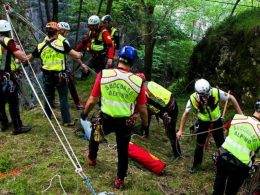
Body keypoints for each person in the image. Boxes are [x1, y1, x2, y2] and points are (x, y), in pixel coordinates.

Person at [81, 45, 148, 189]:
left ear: (118, 58)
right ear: (132, 62)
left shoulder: (104, 74)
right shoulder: (138, 82)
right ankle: (120, 180)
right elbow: (142, 108)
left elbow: (93, 99)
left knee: (95, 136)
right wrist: (145, 125)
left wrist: (85, 113)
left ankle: (92, 158)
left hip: (105, 117)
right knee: (123, 151)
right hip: (125, 122)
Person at [176, 78, 243, 173]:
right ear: (198, 93)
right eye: (205, 95)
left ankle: (224, 164)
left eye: (208, 93)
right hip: (203, 123)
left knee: (221, 145)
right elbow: (185, 113)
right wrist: (180, 130)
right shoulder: (192, 99)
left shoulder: (215, 92)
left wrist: (241, 115)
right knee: (199, 145)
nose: (207, 96)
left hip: (216, 122)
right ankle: (196, 165)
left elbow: (231, 98)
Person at [27, 22, 85, 126]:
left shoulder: (40, 46)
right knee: (63, 97)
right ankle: (66, 121)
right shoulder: (62, 44)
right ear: (57, 32)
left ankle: (47, 115)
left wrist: (19, 60)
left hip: (47, 76)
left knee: (48, 96)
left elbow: (29, 58)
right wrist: (80, 54)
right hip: (59, 76)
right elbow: (76, 55)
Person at [213, 99, 260, 195]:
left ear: (255, 108)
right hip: (241, 166)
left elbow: (226, 133)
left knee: (219, 183)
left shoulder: (238, 118)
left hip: (223, 157)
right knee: (231, 191)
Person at [136, 73, 181, 161]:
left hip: (169, 109)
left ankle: (177, 154)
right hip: (172, 103)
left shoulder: (143, 91)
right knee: (148, 113)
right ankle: (145, 133)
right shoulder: (150, 83)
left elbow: (143, 109)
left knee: (170, 132)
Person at [0, 19, 32, 135]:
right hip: (7, 77)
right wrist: (20, 52)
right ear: (7, 30)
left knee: (1, 102)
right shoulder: (8, 41)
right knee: (13, 102)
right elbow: (22, 57)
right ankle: (17, 127)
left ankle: (4, 123)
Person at [57, 21, 84, 110]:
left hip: (51, 67)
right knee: (70, 82)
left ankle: (51, 102)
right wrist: (81, 62)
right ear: (61, 31)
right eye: (66, 32)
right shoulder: (63, 41)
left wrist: (81, 63)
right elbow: (73, 54)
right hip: (60, 66)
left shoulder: (48, 38)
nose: (67, 34)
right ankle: (77, 103)